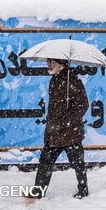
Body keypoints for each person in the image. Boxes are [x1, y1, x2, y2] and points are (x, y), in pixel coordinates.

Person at [27, 59, 89, 199]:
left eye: (52, 62)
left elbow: (83, 105)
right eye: (48, 62)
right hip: (54, 132)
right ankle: (38, 192)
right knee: (45, 162)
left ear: (61, 63)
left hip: (70, 132)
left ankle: (83, 190)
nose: (49, 65)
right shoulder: (54, 80)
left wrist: (67, 121)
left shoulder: (72, 80)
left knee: (78, 163)